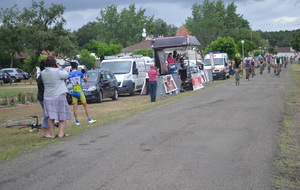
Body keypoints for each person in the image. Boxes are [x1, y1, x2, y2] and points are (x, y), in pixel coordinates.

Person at [41, 56, 72, 138]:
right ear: (54, 63)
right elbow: (66, 75)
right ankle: (61, 133)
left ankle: (52, 134)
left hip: (48, 96)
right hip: (59, 94)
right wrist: (59, 67)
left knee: (51, 117)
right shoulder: (57, 71)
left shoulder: (43, 72)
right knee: (62, 114)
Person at [69, 60, 96, 125]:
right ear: (76, 66)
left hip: (74, 91)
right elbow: (85, 80)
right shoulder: (80, 73)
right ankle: (89, 119)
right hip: (80, 91)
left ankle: (77, 121)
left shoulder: (69, 74)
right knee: (85, 105)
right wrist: (86, 75)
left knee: (75, 106)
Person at [36, 60, 50, 138]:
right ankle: (45, 132)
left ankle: (47, 131)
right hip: (44, 98)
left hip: (41, 97)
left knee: (47, 114)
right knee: (47, 115)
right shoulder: (44, 77)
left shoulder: (40, 76)